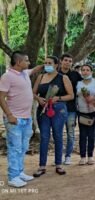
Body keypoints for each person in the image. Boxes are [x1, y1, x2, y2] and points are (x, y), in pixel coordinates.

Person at [0, 51, 43, 187]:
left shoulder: (25, 73)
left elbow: (34, 69)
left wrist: (45, 64)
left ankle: (20, 172)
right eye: (27, 60)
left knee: (23, 147)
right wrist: (10, 115)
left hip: (26, 118)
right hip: (14, 119)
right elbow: (1, 97)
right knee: (15, 148)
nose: (29, 62)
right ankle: (13, 177)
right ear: (18, 62)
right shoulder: (7, 77)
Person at [32, 56, 74, 177]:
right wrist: (38, 98)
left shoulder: (63, 78)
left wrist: (58, 98)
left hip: (58, 110)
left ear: (56, 65)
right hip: (42, 110)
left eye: (49, 63)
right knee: (44, 137)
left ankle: (59, 164)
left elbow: (71, 95)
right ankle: (42, 166)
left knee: (58, 135)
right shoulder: (40, 77)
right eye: (45, 63)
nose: (47, 65)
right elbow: (33, 92)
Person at [58, 53, 82, 165]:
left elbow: (83, 85)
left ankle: (68, 156)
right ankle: (58, 156)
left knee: (70, 133)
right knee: (57, 133)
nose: (67, 62)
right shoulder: (55, 73)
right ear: (61, 61)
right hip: (57, 108)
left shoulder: (75, 75)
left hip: (71, 109)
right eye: (65, 60)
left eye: (70, 61)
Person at [76, 64, 95, 165]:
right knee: (82, 134)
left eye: (87, 70)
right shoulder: (78, 83)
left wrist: (92, 99)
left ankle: (90, 156)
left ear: (91, 72)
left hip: (93, 111)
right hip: (81, 111)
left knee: (91, 134)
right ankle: (82, 156)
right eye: (83, 70)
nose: (85, 72)